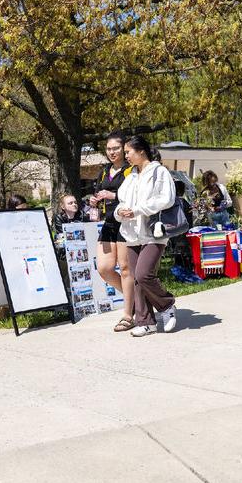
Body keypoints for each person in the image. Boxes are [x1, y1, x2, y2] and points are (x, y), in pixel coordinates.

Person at [114, 135, 178, 337]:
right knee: (136, 280)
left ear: (141, 151)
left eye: (128, 152)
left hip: (153, 231)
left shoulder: (159, 172)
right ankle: (146, 321)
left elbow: (167, 199)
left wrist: (138, 210)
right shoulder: (130, 175)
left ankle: (167, 305)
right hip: (132, 233)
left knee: (143, 274)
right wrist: (120, 212)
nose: (126, 156)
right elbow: (121, 201)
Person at [89, 131, 135, 332]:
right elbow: (100, 193)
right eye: (108, 148)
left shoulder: (131, 170)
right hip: (108, 223)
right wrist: (95, 200)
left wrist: (113, 195)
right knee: (104, 269)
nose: (112, 152)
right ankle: (134, 299)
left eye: (116, 148)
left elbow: (134, 196)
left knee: (126, 269)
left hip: (126, 223)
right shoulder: (104, 171)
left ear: (123, 149)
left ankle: (128, 314)